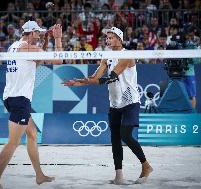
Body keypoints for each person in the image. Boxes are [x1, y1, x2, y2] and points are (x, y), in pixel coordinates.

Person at [62, 27, 153, 185]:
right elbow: (96, 77)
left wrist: (87, 81)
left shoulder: (127, 56)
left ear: (119, 39)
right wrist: (79, 82)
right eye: (107, 38)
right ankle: (119, 175)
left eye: (111, 38)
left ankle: (146, 166)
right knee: (115, 139)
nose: (108, 40)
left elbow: (111, 78)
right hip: (115, 103)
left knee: (125, 135)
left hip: (130, 102)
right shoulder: (107, 56)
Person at [0, 20, 63, 188]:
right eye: (38, 33)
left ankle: (39, 175)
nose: (40, 35)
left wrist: (45, 41)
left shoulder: (13, 46)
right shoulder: (29, 48)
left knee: (32, 134)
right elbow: (58, 61)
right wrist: (58, 39)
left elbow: (35, 63)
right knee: (13, 143)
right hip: (20, 100)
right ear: (31, 33)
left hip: (10, 97)